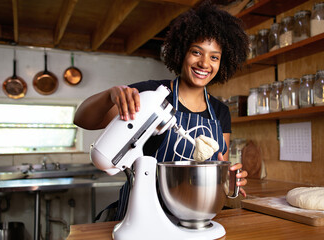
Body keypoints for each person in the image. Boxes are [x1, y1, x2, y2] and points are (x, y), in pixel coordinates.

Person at [74, 2, 249, 221]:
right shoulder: (150, 95)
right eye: (196, 52)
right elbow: (83, 119)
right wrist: (110, 95)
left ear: (222, 63)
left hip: (194, 214)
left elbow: (216, 166)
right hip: (142, 213)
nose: (204, 63)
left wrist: (228, 179)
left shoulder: (220, 112)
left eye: (214, 57)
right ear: (181, 51)